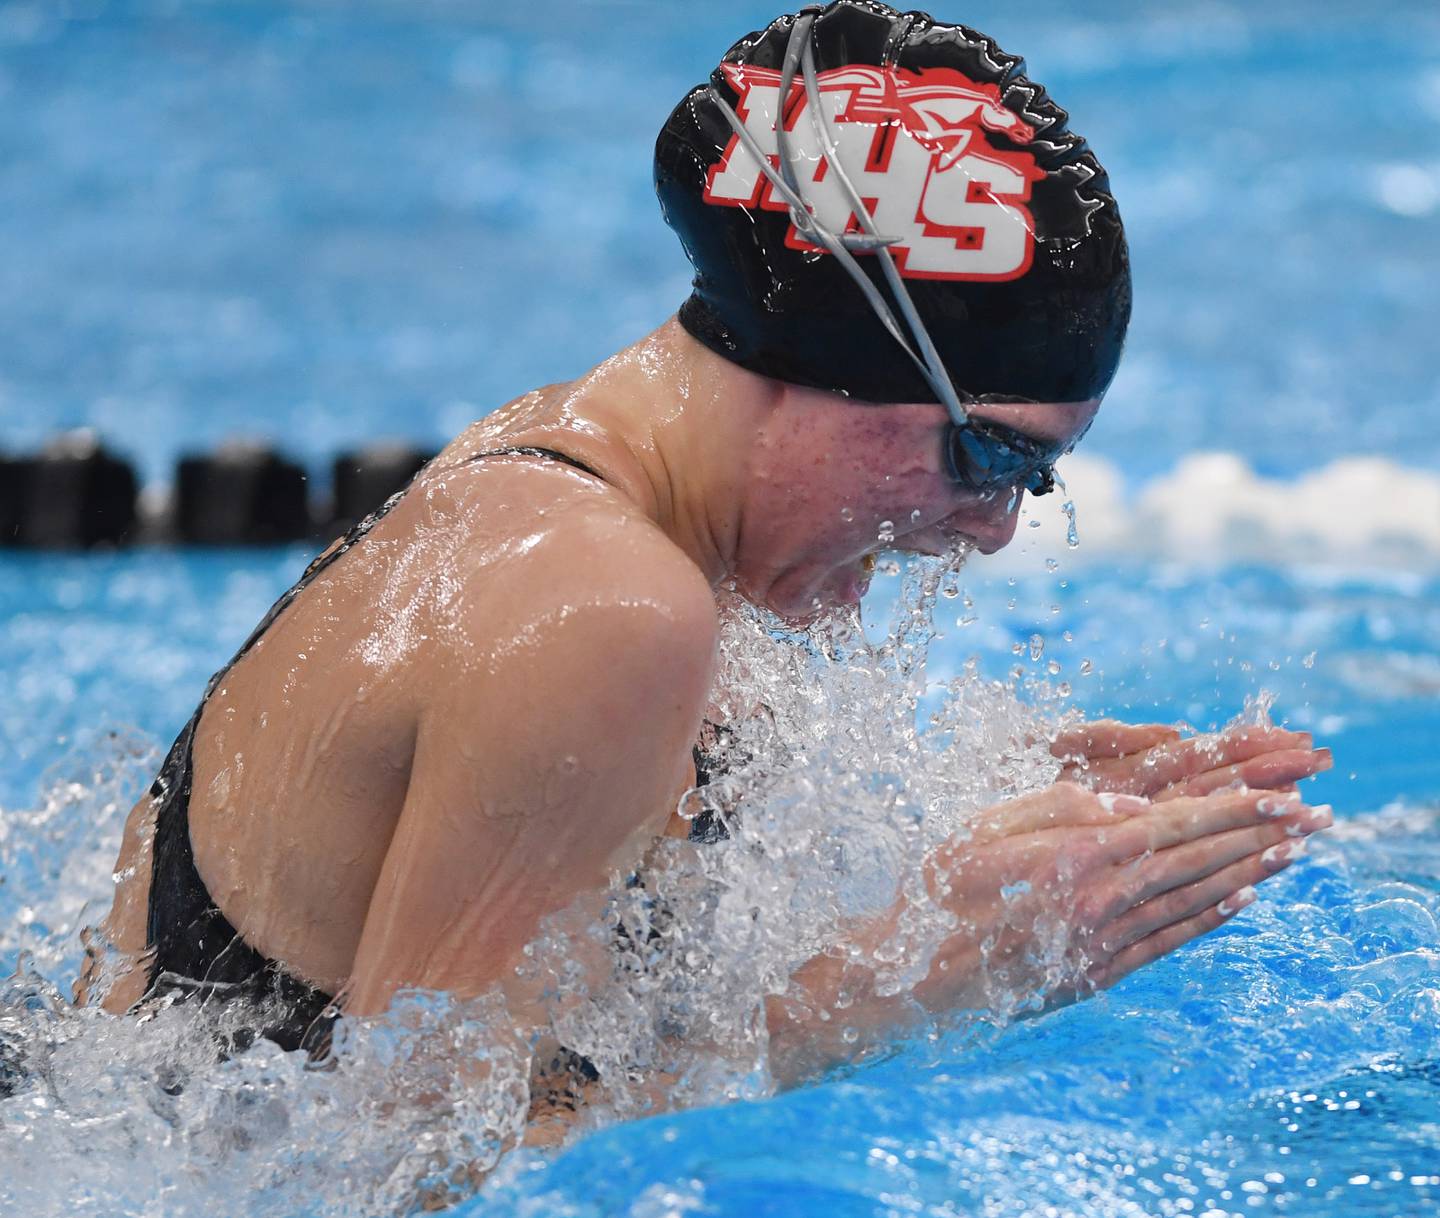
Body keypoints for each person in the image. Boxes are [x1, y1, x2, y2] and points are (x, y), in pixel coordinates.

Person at [85, 1, 1331, 1106]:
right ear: (843, 365)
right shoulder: (605, 604)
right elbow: (407, 1159)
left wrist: (980, 819)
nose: (996, 525)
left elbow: (591, 902)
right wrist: (898, 993)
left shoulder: (588, 473)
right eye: (989, 456)